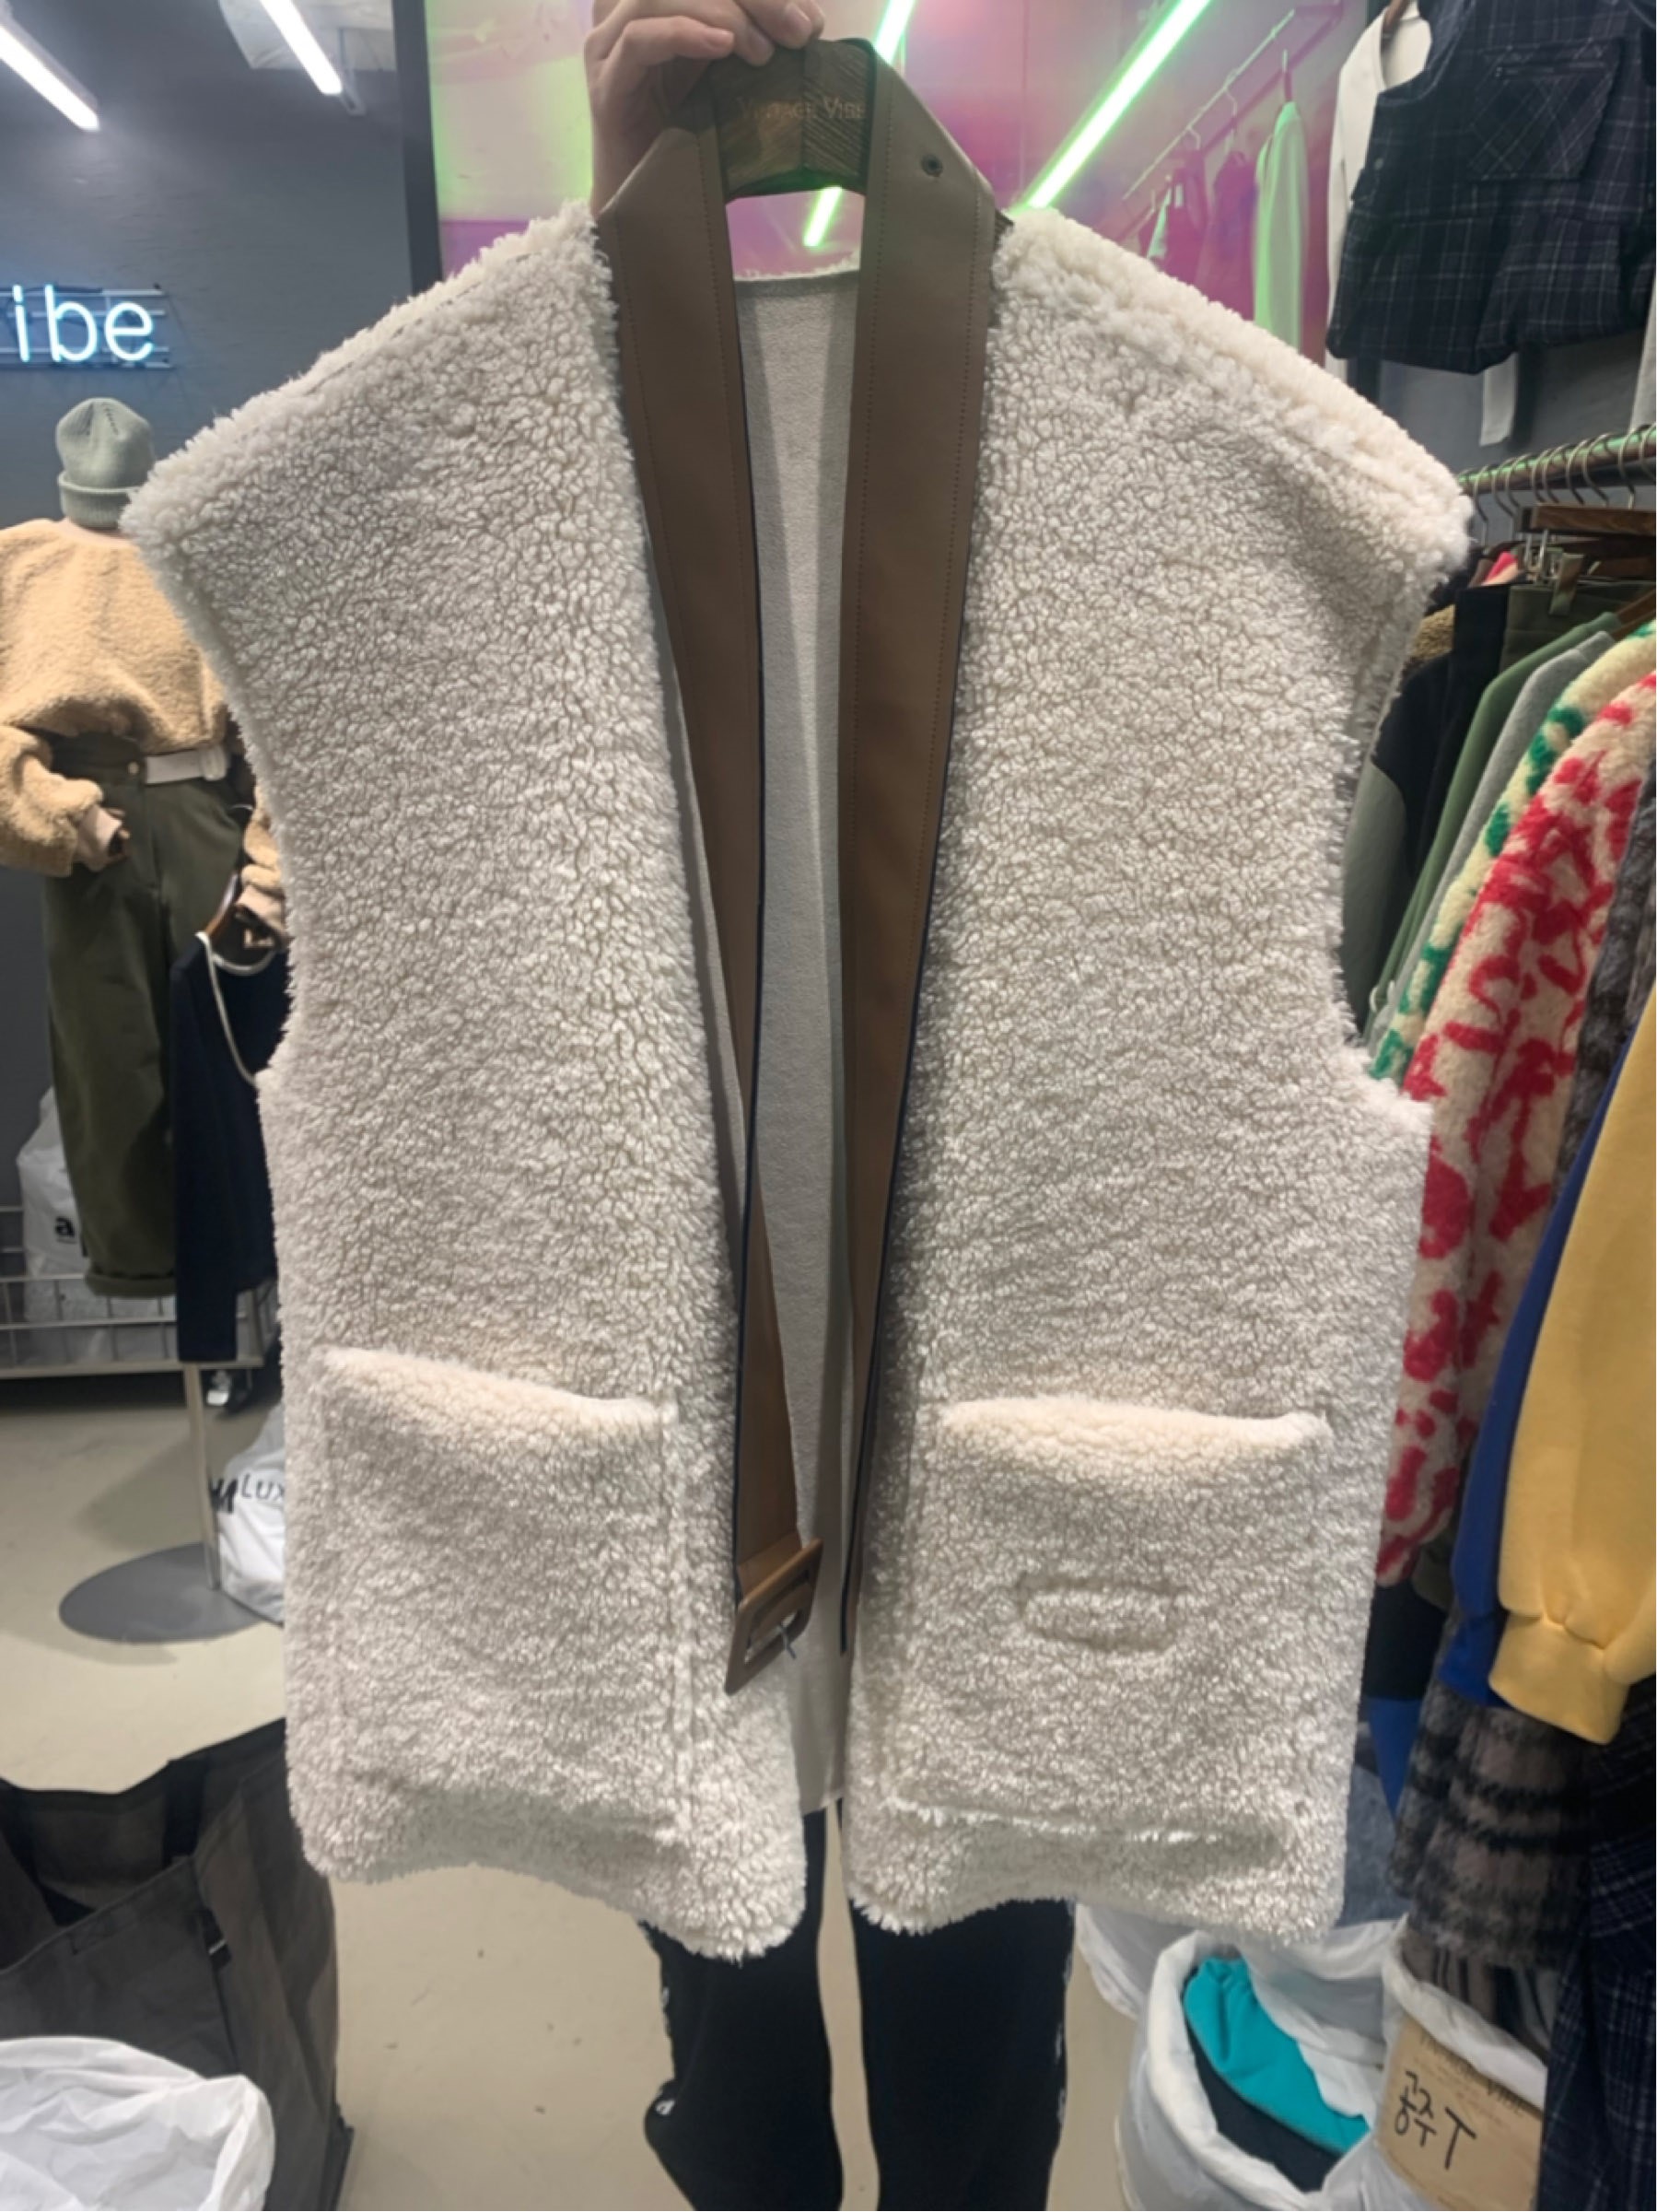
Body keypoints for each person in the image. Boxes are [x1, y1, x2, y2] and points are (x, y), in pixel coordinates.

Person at [582, 8, 1075, 2206]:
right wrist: (613, 216)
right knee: (747, 2076)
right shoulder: (512, 452)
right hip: (685, 1441)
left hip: (993, 1427)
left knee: (972, 2083)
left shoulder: (1108, 442)